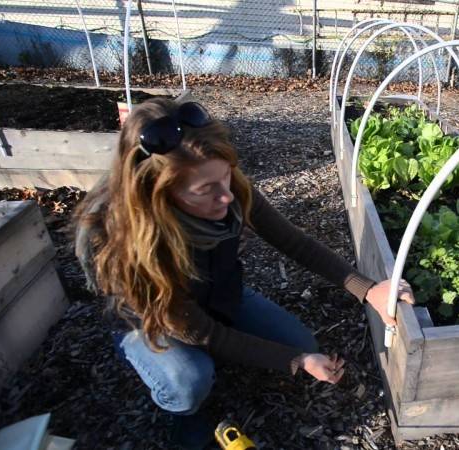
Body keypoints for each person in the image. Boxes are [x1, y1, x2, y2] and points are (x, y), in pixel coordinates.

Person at [73, 98, 414, 448]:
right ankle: (178, 412)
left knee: (303, 343)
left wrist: (367, 288)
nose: (226, 197)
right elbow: (203, 333)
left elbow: (293, 242)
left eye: (225, 177)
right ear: (159, 193)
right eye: (207, 190)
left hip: (218, 295)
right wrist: (294, 361)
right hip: (154, 319)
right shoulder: (130, 242)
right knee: (189, 381)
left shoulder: (228, 186)